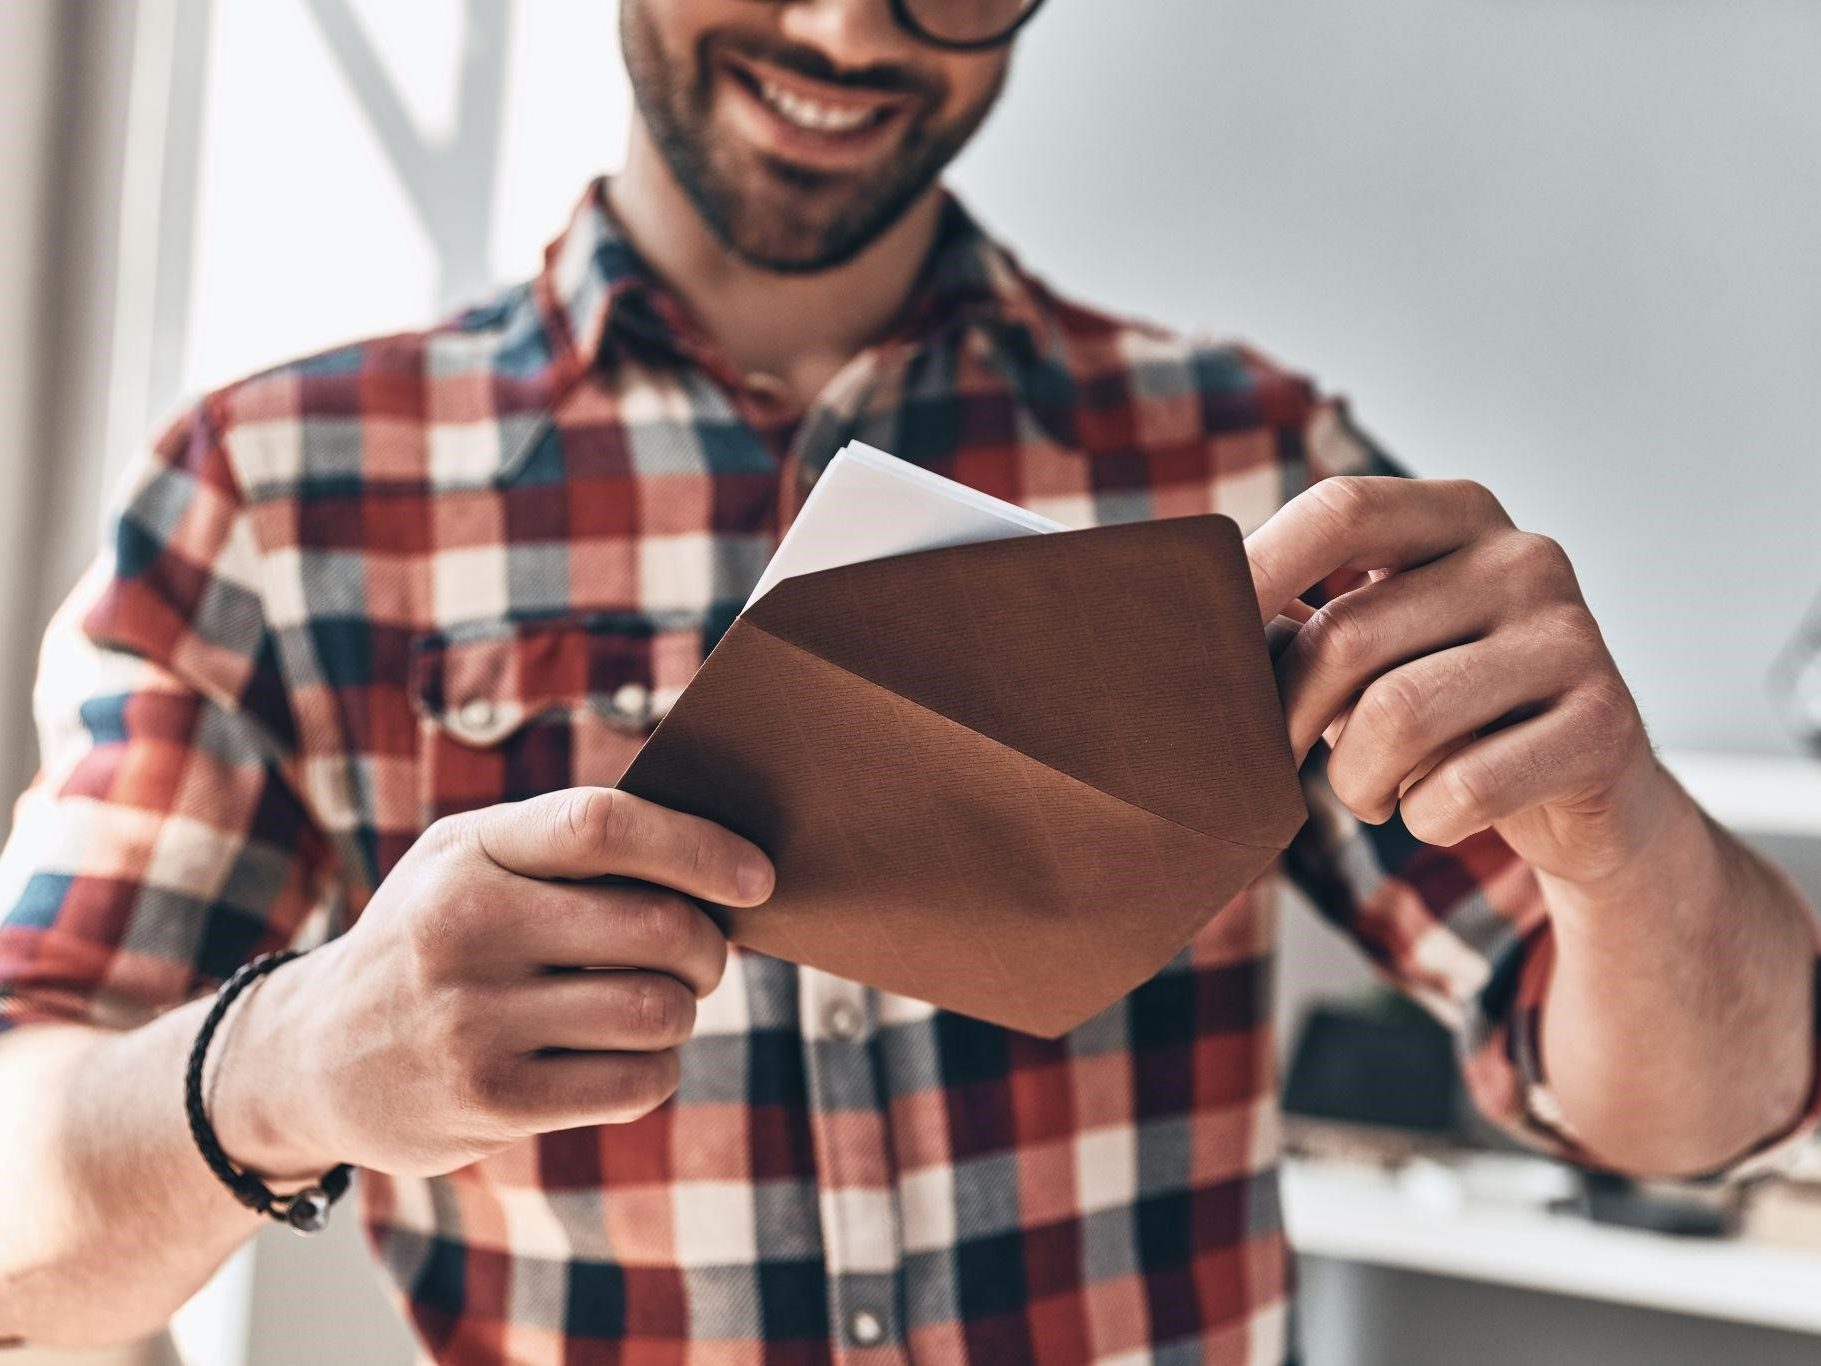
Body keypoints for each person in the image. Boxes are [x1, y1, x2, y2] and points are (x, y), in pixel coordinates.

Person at [1, 0, 1815, 1360]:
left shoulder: (1248, 458)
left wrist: (1621, 839)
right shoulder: (277, 492)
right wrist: (283, 1067)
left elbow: (1692, 1115)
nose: (851, 29)